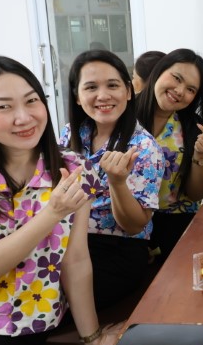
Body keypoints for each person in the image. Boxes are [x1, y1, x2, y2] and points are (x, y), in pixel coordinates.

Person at [0, 56, 118, 345]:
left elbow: (76, 260)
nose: (24, 117)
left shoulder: (75, 170)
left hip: (17, 320)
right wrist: (53, 214)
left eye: (32, 100)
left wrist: (92, 337)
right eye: (4, 107)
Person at [59, 49, 164, 309]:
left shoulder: (143, 147)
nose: (103, 95)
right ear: (77, 96)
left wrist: (117, 183)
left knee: (52, 297)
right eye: (91, 87)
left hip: (115, 249)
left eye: (113, 85)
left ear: (128, 91)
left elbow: (134, 226)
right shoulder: (71, 133)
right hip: (66, 241)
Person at [136, 48, 203, 263]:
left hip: (176, 225)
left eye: (191, 89)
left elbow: (196, 194)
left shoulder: (192, 126)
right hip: (125, 226)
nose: (180, 91)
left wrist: (201, 155)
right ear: (159, 70)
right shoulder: (122, 114)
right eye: (176, 78)